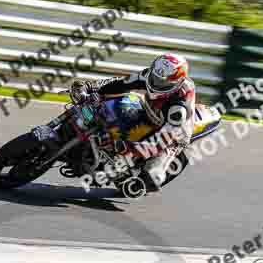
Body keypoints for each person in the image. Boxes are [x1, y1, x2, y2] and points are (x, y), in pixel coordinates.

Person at [71, 53, 195, 192]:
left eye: (162, 82)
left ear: (176, 83)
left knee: (153, 177)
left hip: (174, 132)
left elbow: (164, 138)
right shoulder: (149, 75)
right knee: (115, 109)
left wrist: (132, 149)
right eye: (155, 77)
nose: (155, 82)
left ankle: (135, 177)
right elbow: (121, 83)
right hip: (149, 109)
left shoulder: (178, 107)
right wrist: (90, 88)